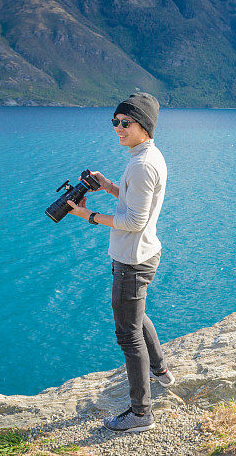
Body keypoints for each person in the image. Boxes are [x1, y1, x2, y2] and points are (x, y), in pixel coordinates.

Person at [66, 92, 175, 433]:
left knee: (128, 335)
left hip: (132, 259)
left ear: (143, 125)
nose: (118, 128)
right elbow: (134, 205)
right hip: (144, 253)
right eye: (115, 122)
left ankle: (141, 414)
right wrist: (110, 186)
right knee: (137, 317)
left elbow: (132, 222)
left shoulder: (142, 164)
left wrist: (87, 214)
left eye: (125, 123)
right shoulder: (146, 156)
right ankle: (161, 372)